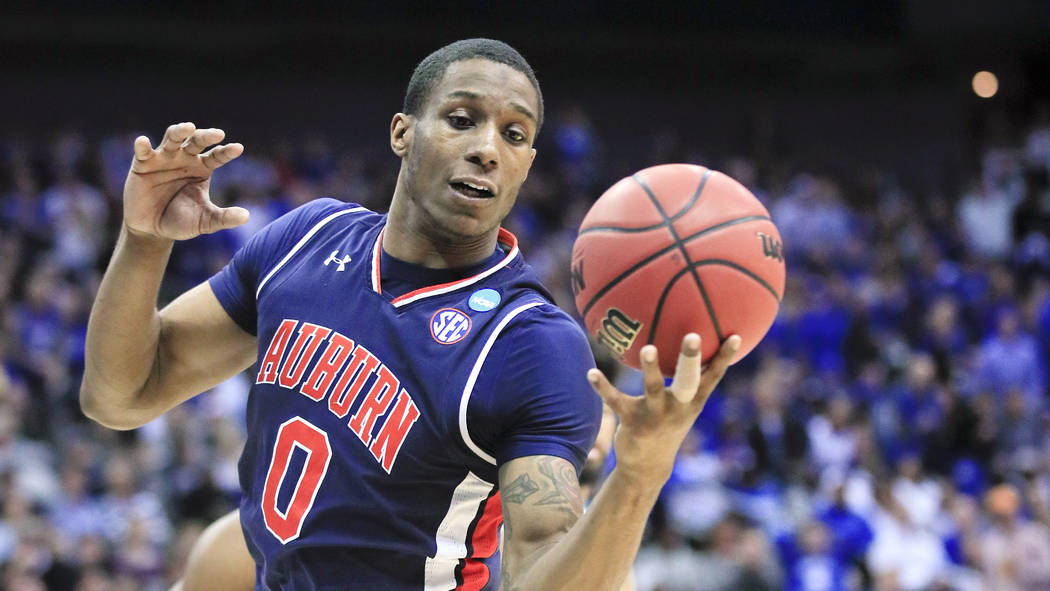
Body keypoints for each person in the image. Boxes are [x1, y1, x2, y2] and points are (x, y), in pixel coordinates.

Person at [80, 38, 741, 590]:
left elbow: (541, 561)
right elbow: (120, 394)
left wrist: (641, 470)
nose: (488, 147)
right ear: (402, 131)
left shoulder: (529, 343)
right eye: (462, 118)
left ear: (526, 167)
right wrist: (143, 242)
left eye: (514, 135)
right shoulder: (306, 241)